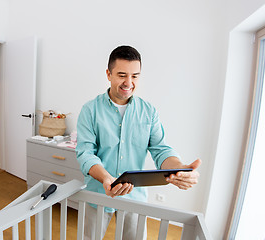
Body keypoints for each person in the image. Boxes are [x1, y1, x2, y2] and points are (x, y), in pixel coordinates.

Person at [75, 45, 201, 239]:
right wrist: (106, 178)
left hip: (134, 196)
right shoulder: (90, 110)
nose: (129, 82)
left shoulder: (149, 111)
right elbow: (85, 153)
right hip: (98, 193)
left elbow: (160, 149)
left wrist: (179, 168)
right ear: (109, 74)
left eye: (135, 76)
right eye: (122, 75)